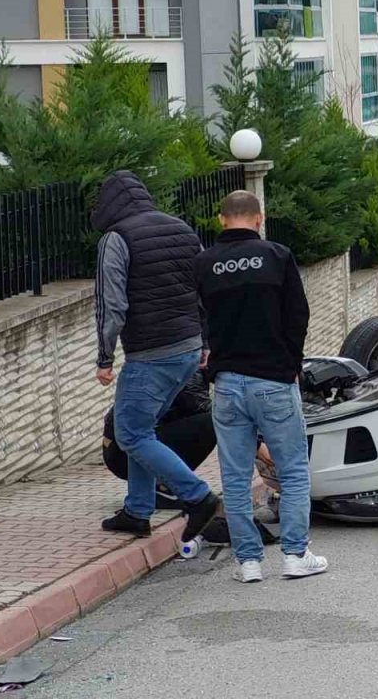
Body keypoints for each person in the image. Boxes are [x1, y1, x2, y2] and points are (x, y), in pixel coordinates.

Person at [196, 190, 326, 583]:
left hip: (227, 384)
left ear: (221, 219)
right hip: (273, 378)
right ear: (259, 218)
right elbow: (297, 316)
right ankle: (295, 555)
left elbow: (199, 320)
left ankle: (248, 562)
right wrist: (291, 364)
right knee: (292, 470)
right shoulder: (277, 257)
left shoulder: (203, 264)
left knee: (234, 478)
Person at [93, 170, 221, 541]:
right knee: (143, 429)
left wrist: (104, 357)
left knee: (129, 433)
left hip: (151, 352)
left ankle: (198, 498)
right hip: (188, 348)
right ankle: (137, 511)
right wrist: (206, 342)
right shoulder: (181, 228)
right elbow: (201, 290)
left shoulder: (116, 238)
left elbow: (111, 304)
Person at [102, 370, 280, 521]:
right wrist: (257, 444)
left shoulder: (193, 360)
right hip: (123, 454)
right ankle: (175, 490)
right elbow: (210, 411)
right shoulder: (188, 369)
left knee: (223, 418)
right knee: (213, 422)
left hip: (135, 446)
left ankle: (163, 487)